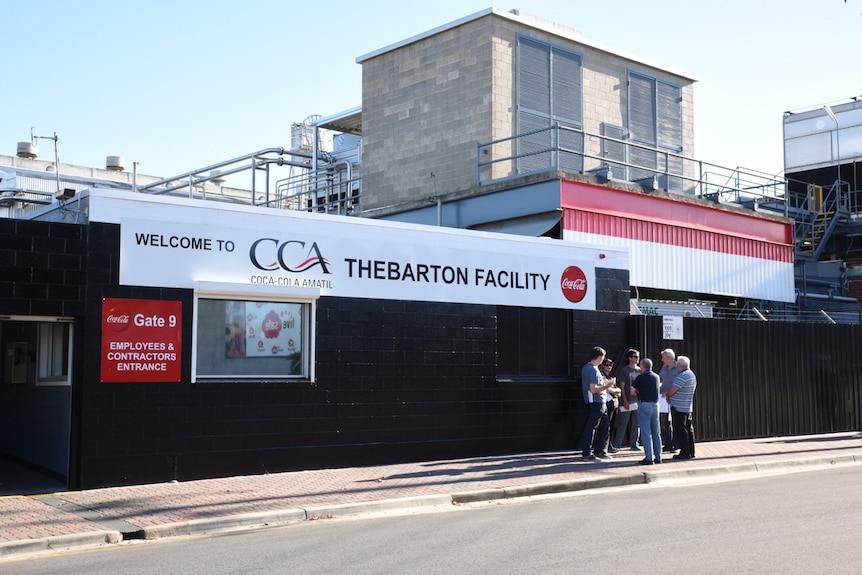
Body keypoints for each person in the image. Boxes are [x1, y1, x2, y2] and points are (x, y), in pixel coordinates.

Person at [581, 346, 615, 460]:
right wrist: (607, 385)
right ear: (600, 357)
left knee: (604, 425)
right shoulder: (593, 369)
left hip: (598, 401)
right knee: (593, 426)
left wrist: (604, 383)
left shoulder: (587, 368)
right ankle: (588, 452)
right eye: (603, 357)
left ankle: (599, 450)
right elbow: (594, 389)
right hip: (597, 401)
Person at [631, 357, 662, 464]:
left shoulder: (640, 378)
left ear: (642, 366)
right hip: (655, 405)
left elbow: (632, 392)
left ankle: (649, 458)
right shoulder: (656, 377)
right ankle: (658, 457)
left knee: (646, 432)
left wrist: (639, 392)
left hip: (644, 404)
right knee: (656, 432)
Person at [666, 355, 697, 460]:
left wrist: (667, 395)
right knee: (688, 429)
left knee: (681, 430)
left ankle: (685, 452)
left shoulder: (683, 375)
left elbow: (672, 390)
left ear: (679, 365)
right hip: (687, 406)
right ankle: (691, 451)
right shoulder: (691, 374)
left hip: (679, 407)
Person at [612, 349, 641, 451]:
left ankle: (634, 442)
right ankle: (617, 443)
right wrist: (624, 400)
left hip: (638, 401)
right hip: (628, 400)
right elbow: (622, 387)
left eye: (638, 356)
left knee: (636, 423)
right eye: (635, 356)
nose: (637, 359)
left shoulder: (640, 370)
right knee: (622, 422)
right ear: (630, 358)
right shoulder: (625, 370)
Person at [658, 349, 678, 454]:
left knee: (675, 421)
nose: (662, 360)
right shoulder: (664, 368)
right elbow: (660, 379)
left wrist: (669, 392)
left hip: (675, 398)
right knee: (665, 422)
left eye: (664, 358)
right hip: (664, 399)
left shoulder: (678, 368)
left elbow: (679, 384)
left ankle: (675, 444)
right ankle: (668, 443)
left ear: (670, 358)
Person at [600, 358, 621, 453]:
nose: (609, 367)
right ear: (602, 365)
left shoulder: (610, 378)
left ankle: (608, 444)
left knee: (611, 426)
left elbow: (619, 391)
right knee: (605, 425)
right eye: (607, 365)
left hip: (613, 404)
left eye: (611, 365)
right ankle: (603, 446)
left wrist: (614, 390)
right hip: (606, 403)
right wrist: (614, 390)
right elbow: (607, 389)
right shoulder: (602, 376)